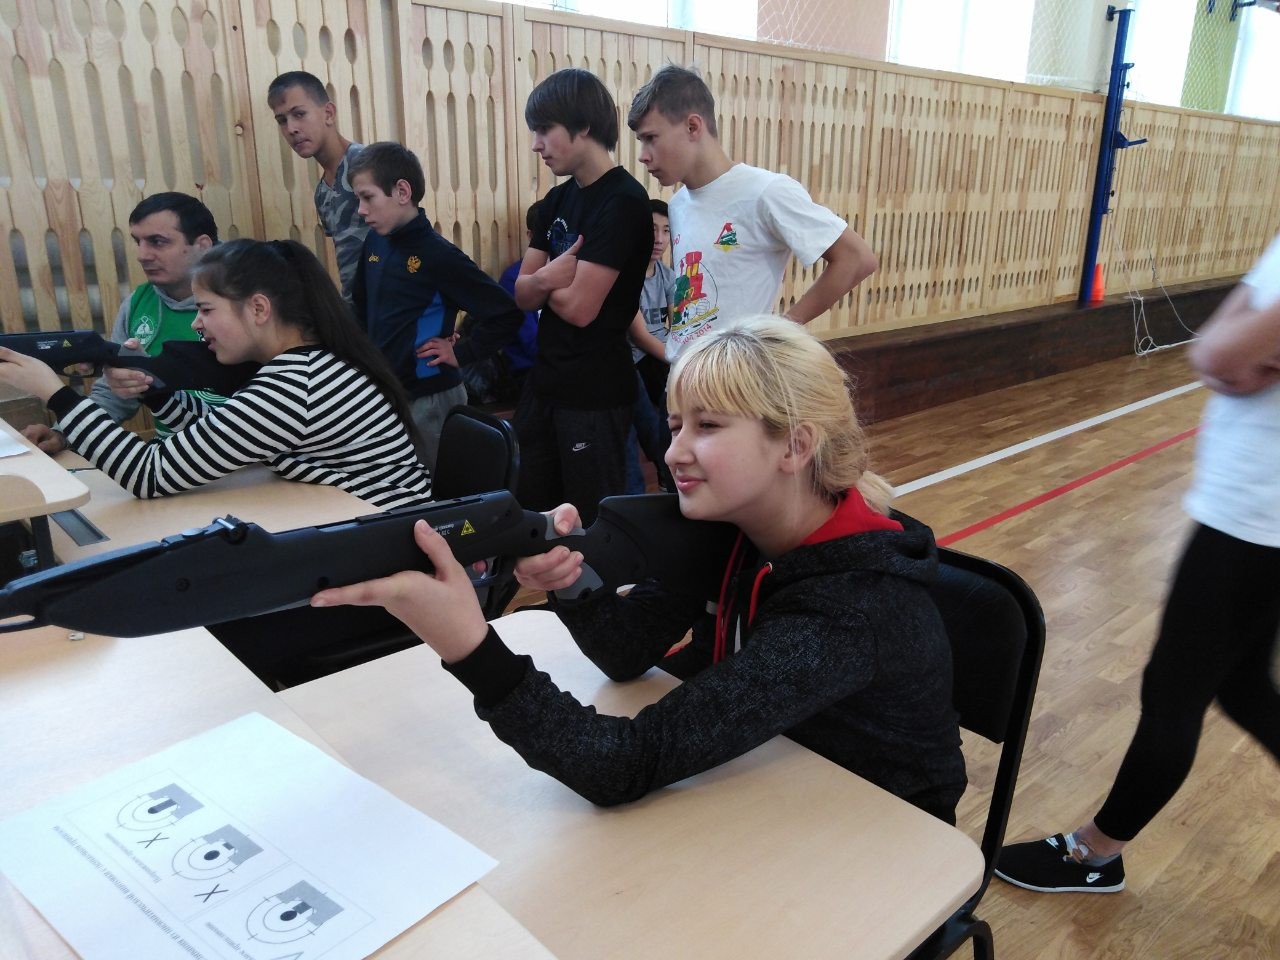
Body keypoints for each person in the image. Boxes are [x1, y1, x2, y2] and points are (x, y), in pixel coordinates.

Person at [310, 315, 967, 821]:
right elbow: (626, 652)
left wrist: (470, 648)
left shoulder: (852, 610)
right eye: (675, 425)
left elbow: (620, 765)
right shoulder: (737, 530)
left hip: (878, 841)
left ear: (794, 446)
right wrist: (573, 577)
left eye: (708, 426)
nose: (673, 451)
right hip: (774, 786)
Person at [995, 235, 1280, 894]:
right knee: (1242, 685)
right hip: (1255, 512)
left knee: (1174, 691)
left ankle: (1093, 854)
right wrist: (1236, 343)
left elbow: (1216, 353)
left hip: (1255, 518)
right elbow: (1225, 344)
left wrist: (1236, 342)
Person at [0, 239, 431, 510]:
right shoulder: (311, 365)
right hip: (360, 524)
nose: (196, 323)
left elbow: (150, 474)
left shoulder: (294, 384)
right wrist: (155, 393)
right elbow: (222, 430)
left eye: (206, 309)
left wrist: (55, 393)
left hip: (382, 543)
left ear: (258, 308)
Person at [627, 64, 878, 360]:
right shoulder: (679, 204)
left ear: (693, 127)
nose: (643, 156)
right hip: (682, 371)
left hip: (735, 377)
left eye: (651, 138)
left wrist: (777, 333)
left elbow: (857, 258)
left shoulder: (765, 191)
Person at [512, 68, 653, 524]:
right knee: (533, 519)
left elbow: (579, 309)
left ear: (584, 125)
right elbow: (520, 294)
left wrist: (542, 281)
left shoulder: (624, 201)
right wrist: (552, 277)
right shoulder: (556, 201)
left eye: (544, 129)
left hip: (594, 396)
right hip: (543, 386)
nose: (536, 145)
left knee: (589, 527)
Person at [347, 141, 526, 470]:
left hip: (431, 400)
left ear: (402, 192)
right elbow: (359, 309)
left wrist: (462, 352)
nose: (361, 209)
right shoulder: (374, 243)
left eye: (367, 197)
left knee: (438, 489)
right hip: (385, 394)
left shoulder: (439, 255)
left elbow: (506, 313)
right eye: (358, 199)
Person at [22, 193, 220, 454]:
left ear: (203, 245)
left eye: (157, 242)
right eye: (138, 242)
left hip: (245, 455)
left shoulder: (247, 298)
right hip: (172, 455)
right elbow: (115, 393)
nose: (142, 255)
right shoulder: (136, 304)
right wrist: (63, 433)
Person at [267, 70, 369, 301]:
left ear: (329, 113)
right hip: (359, 311)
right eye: (282, 121)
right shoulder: (322, 193)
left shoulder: (367, 164)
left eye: (299, 114)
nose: (291, 128)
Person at [624, 197, 675, 493]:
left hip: (663, 355)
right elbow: (640, 336)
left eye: (666, 231)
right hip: (638, 357)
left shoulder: (668, 275)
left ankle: (670, 472)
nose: (659, 239)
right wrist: (677, 359)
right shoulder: (626, 276)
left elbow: (678, 324)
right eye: (652, 229)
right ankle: (666, 472)